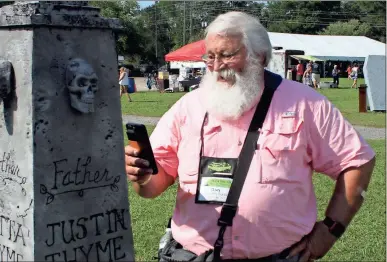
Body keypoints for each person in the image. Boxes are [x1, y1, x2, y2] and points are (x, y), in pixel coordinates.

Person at [125, 11, 375, 262]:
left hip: (278, 256)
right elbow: (151, 187)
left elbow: (357, 161)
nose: (216, 66)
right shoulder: (188, 107)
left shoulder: (306, 105)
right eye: (210, 56)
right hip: (193, 255)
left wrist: (329, 231)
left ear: (261, 57)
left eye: (227, 55)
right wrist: (142, 175)